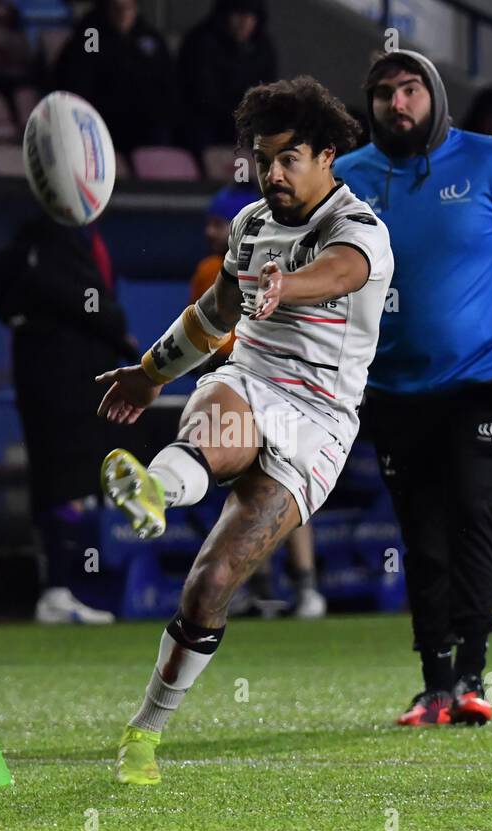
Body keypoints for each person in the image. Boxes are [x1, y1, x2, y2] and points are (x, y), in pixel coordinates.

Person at [93, 76, 393, 784]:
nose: (273, 173)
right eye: (263, 160)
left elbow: (340, 274)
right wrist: (148, 373)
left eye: (289, 158)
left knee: (213, 581)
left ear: (327, 157)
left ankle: (147, 731)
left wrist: (289, 285)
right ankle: (155, 489)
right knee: (221, 421)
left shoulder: (360, 231)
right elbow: (214, 315)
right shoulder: (252, 225)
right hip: (250, 381)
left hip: (320, 419)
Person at [334, 51, 492, 727]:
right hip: (393, 389)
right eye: (383, 94)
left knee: (473, 509)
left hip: (485, 379)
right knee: (423, 535)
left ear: (433, 94)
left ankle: (472, 671)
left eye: (409, 89)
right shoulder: (347, 180)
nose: (397, 103)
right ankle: (434, 683)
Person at [0, 216, 134, 625]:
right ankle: (60, 589)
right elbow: (91, 306)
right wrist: (118, 334)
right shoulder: (52, 238)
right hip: (66, 383)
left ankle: (61, 587)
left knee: (65, 485)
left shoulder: (39, 244)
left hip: (60, 380)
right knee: (66, 486)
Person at [191, 185, 329, 619]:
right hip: (273, 388)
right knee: (273, 486)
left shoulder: (223, 267)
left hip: (255, 387)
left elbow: (217, 335)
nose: (211, 230)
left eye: (219, 222)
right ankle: (289, 588)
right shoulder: (270, 263)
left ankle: (285, 587)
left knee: (272, 486)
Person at [53, 0, 177, 155]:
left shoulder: (149, 37)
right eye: (116, 9)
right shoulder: (92, 34)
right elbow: (82, 76)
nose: (122, 14)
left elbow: (167, 83)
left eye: (128, 9)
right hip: (103, 121)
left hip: (145, 123)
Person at [178, 0, 278, 156]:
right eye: (239, 14)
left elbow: (267, 91)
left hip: (247, 127)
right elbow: (203, 96)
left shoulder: (262, 47)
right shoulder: (201, 42)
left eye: (251, 16)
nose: (245, 22)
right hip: (206, 128)